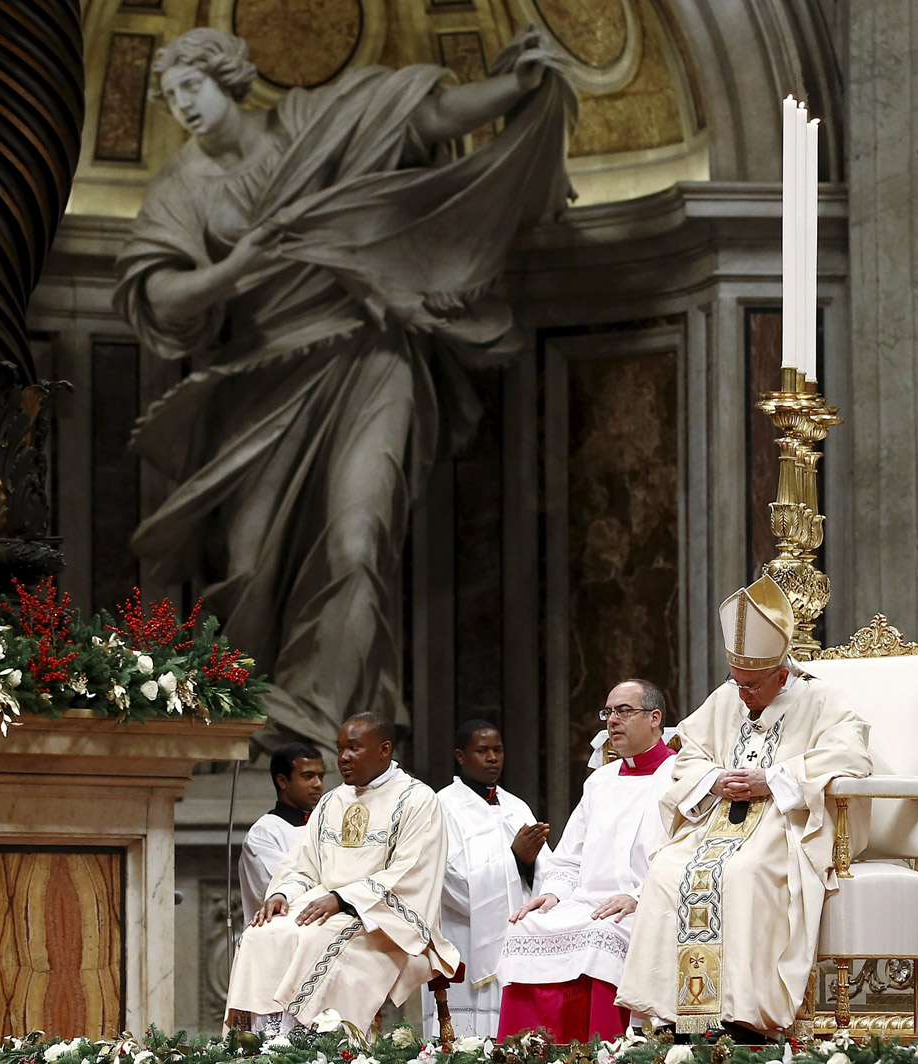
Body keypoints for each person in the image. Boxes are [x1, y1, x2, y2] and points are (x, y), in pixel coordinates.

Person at [116, 27, 574, 753]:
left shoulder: (311, 122)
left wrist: (514, 87)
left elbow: (423, 115)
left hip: (369, 357)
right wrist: (237, 269)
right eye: (171, 98)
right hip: (260, 381)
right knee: (247, 569)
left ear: (227, 78)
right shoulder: (180, 187)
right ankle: (257, 735)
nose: (184, 107)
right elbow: (162, 297)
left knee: (359, 543)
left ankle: (333, 734)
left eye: (192, 88)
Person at [616, 575, 871, 1040]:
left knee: (743, 873)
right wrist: (715, 779)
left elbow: (851, 757)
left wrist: (772, 779)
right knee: (667, 871)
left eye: (753, 685)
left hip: (782, 824)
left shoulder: (821, 699)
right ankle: (677, 1020)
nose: (743, 695)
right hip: (714, 824)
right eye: (737, 682)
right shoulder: (727, 698)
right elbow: (688, 755)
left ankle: (744, 1018)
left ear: (782, 673)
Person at [225, 712, 459, 1034]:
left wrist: (343, 899)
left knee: (315, 938)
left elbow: (412, 872)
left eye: (353, 749)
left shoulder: (417, 800)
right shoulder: (333, 801)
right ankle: (255, 1042)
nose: (343, 758)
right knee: (261, 934)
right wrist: (282, 893)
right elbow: (304, 863)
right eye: (340, 749)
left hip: (379, 918)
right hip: (327, 904)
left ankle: (308, 1045)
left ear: (384, 749)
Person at [494, 679, 675, 1043]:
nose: (612, 721)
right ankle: (525, 1049)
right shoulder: (600, 781)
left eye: (624, 711)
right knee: (523, 927)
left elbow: (684, 855)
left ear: (655, 718)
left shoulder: (680, 775)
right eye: (608, 712)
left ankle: (601, 1048)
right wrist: (555, 894)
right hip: (587, 902)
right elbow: (569, 856)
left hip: (647, 903)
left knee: (599, 938)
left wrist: (639, 896)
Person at [421, 719, 550, 1037]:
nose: (492, 757)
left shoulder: (515, 806)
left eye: (498, 750)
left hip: (516, 941)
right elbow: (448, 882)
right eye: (482, 751)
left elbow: (548, 872)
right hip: (462, 939)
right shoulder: (442, 807)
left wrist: (529, 865)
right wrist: (515, 859)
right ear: (461, 756)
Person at [239, 741, 327, 918]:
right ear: (282, 781)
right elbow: (283, 889)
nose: (318, 784)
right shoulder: (265, 833)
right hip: (280, 932)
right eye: (308, 776)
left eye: (320, 776)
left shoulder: (327, 825)